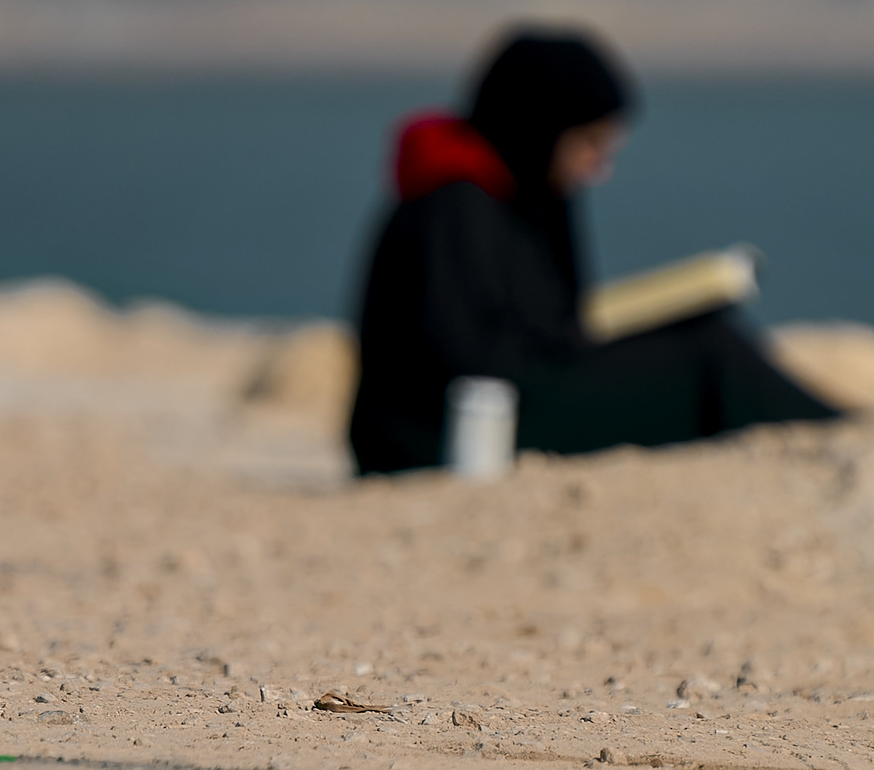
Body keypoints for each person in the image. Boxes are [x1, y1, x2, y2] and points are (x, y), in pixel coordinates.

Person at [347, 25, 838, 475]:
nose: (598, 168)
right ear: (536, 130)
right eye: (588, 146)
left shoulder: (521, 193)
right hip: (437, 437)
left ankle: (838, 430)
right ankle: (842, 434)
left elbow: (549, 321)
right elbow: (467, 362)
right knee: (708, 357)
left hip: (506, 404)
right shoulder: (455, 203)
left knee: (701, 331)